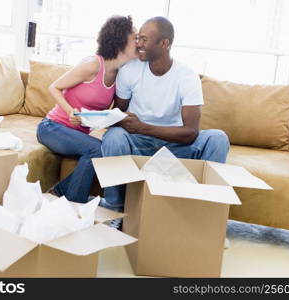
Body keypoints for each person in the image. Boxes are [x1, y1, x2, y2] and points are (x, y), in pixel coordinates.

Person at [100, 16, 230, 216]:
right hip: (138, 143)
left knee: (218, 138)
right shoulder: (130, 71)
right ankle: (114, 208)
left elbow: (191, 133)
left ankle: (206, 215)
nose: (138, 44)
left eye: (144, 39)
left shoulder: (186, 76)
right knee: (113, 137)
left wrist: (143, 127)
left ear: (164, 43)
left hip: (175, 146)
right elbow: (118, 116)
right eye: (138, 38)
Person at [37, 15, 138, 204]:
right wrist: (70, 112)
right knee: (97, 150)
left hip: (79, 133)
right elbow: (54, 87)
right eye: (135, 37)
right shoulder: (93, 65)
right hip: (52, 127)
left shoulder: (120, 75)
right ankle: (75, 204)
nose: (139, 41)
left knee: (101, 148)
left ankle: (61, 191)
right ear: (120, 40)